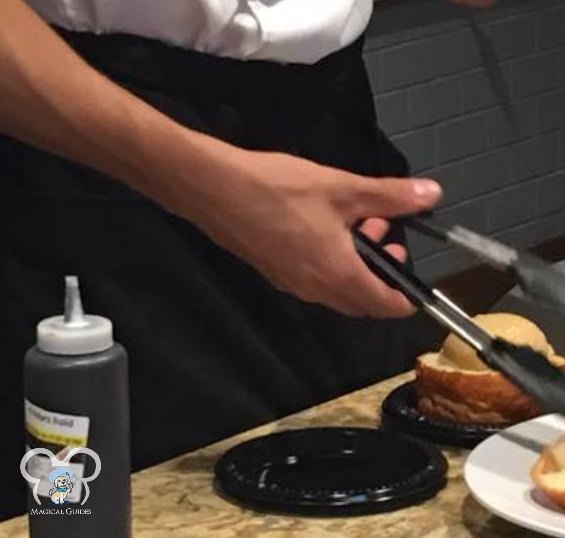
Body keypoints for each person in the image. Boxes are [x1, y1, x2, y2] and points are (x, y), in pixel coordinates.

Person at [0, 0, 490, 517]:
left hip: (334, 134)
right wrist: (208, 187)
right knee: (138, 508)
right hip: (94, 158)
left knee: (396, 488)